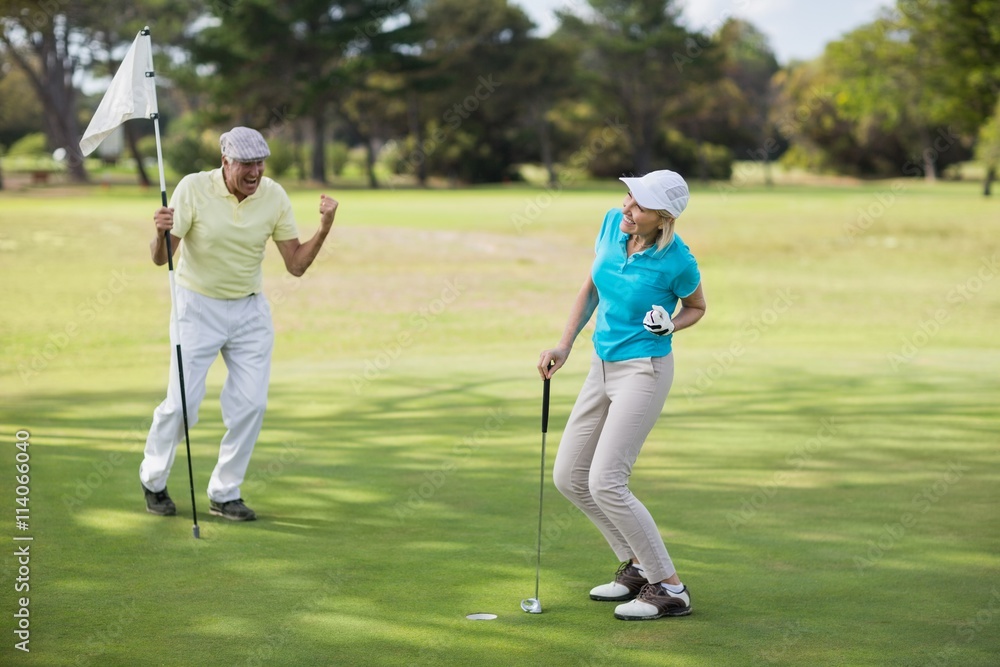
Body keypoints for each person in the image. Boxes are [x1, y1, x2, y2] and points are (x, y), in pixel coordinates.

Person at [140, 126, 339, 521]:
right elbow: (162, 258)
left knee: (251, 405)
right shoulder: (193, 188)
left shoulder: (274, 196)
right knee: (181, 407)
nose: (255, 172)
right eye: (247, 164)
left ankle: (224, 492)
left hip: (249, 312)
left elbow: (296, 265)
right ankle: (154, 479)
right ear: (225, 161)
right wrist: (160, 232)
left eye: (260, 163)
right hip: (196, 307)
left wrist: (325, 228)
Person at [537, 169, 706, 620]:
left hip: (644, 370)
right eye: (629, 196)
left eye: (640, 205)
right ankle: (636, 568)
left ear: (664, 217)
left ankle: (670, 587)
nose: (628, 207)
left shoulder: (678, 261)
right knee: (569, 476)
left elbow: (696, 308)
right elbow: (591, 287)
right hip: (601, 365)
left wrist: (672, 323)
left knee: (606, 480)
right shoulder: (613, 224)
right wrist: (563, 345)